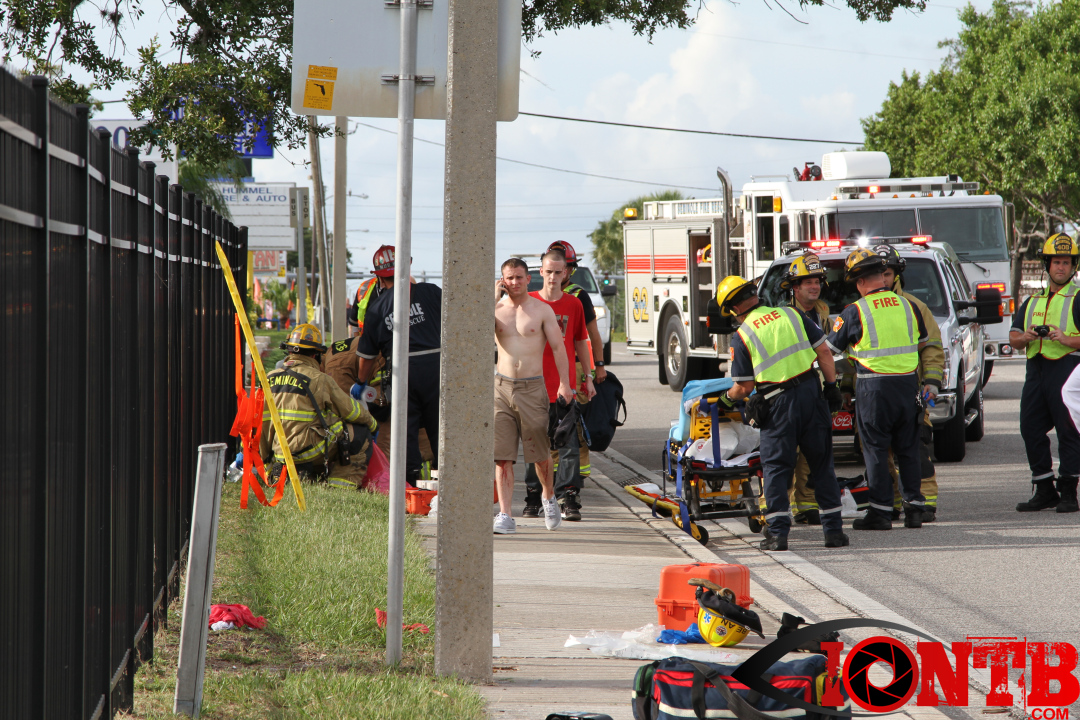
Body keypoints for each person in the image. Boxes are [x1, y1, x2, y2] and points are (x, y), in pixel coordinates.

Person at [716, 275, 848, 551]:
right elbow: (824, 353)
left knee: (776, 469)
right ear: (755, 295)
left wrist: (725, 400)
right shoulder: (792, 314)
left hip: (777, 405)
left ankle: (777, 536)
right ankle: (834, 533)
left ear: (733, 309)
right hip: (812, 395)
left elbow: (743, 387)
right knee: (822, 465)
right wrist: (831, 387)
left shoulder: (742, 336)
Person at [827, 249, 930, 530]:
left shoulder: (855, 310)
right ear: (881, 277)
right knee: (908, 449)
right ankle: (915, 509)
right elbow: (922, 341)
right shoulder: (907, 305)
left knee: (875, 450)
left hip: (874, 388)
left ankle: (881, 513)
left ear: (860, 282)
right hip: (908, 384)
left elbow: (830, 350)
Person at [522, 240, 607, 521]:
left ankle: (568, 497)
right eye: (548, 272)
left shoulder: (574, 303)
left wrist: (590, 375)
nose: (553, 277)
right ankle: (533, 496)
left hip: (564, 386)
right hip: (533, 387)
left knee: (569, 445)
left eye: (558, 272)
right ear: (540, 271)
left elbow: (582, 340)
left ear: (566, 273)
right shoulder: (528, 302)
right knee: (535, 446)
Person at [493, 258, 574, 534]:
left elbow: (558, 348)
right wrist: (492, 300)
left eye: (519, 277)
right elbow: (475, 337)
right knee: (502, 457)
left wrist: (565, 384)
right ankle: (505, 514)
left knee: (539, 454)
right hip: (501, 387)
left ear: (528, 279)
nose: (514, 282)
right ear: (502, 280)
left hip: (532, 388)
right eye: (509, 278)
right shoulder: (495, 310)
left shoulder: (541, 310)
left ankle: (548, 496)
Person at [356, 245, 442, 484]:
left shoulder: (376, 309)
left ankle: (410, 485)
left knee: (406, 431)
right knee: (440, 430)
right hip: (437, 369)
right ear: (408, 266)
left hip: (402, 372)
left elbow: (367, 357)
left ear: (378, 278)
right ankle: (445, 481)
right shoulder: (432, 292)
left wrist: (360, 383)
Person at [260, 324, 377, 490]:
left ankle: (301, 475)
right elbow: (351, 411)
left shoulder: (268, 379)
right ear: (316, 355)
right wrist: (373, 424)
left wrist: (267, 463)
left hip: (279, 452)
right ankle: (339, 487)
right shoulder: (319, 379)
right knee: (359, 433)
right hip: (308, 450)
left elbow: (260, 423)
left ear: (289, 351)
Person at [1011, 233, 1080, 514]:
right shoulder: (1031, 301)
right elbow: (1013, 337)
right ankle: (1044, 488)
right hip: (1036, 371)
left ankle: (1068, 492)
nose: (1061, 267)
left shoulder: (1077, 297)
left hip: (1067, 371)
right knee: (1030, 427)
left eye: (1066, 262)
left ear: (1073, 266)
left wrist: (1067, 339)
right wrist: (1025, 337)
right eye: (1056, 262)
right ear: (1047, 265)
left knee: (1068, 430)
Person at [876, 244, 944, 522]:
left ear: (897, 275)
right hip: (875, 395)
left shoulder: (915, 307)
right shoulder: (862, 309)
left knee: (916, 446)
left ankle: (924, 502)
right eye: (877, 274)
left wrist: (932, 382)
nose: (882, 280)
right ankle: (889, 503)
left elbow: (932, 348)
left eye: (887, 274)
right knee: (878, 452)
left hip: (911, 392)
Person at [781, 253, 831, 525]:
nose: (814, 286)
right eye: (808, 282)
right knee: (784, 453)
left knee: (813, 453)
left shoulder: (823, 313)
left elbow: (831, 352)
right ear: (794, 287)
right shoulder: (783, 316)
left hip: (816, 392)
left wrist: (838, 388)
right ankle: (775, 508)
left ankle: (806, 505)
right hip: (787, 393)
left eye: (817, 281)